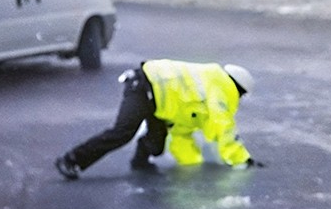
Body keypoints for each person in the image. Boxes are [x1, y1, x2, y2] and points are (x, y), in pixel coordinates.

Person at [55, 59, 258, 179]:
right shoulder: (221, 88)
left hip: (156, 100)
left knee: (157, 145)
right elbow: (223, 125)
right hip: (142, 88)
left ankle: (139, 160)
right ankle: (72, 160)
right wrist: (242, 160)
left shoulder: (211, 82)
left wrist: (192, 162)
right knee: (122, 133)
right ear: (238, 88)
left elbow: (185, 127)